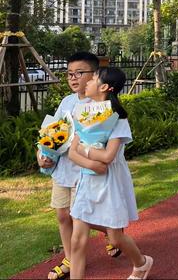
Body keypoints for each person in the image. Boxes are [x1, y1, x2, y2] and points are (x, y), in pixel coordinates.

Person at [37, 52, 118, 280]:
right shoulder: (67, 102)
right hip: (62, 169)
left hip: (83, 171)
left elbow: (100, 142)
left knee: (80, 218)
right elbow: (52, 132)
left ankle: (112, 231)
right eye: (70, 74)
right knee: (63, 215)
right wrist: (42, 154)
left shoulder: (100, 106)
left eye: (80, 73)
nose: (73, 78)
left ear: (95, 76)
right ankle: (71, 258)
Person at [69, 67, 153, 280]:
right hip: (87, 182)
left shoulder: (118, 119)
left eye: (93, 78)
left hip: (110, 184)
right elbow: (72, 152)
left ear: (105, 87)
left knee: (115, 239)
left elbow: (108, 156)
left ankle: (142, 263)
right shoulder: (83, 111)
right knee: (77, 241)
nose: (87, 82)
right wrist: (91, 163)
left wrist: (87, 153)